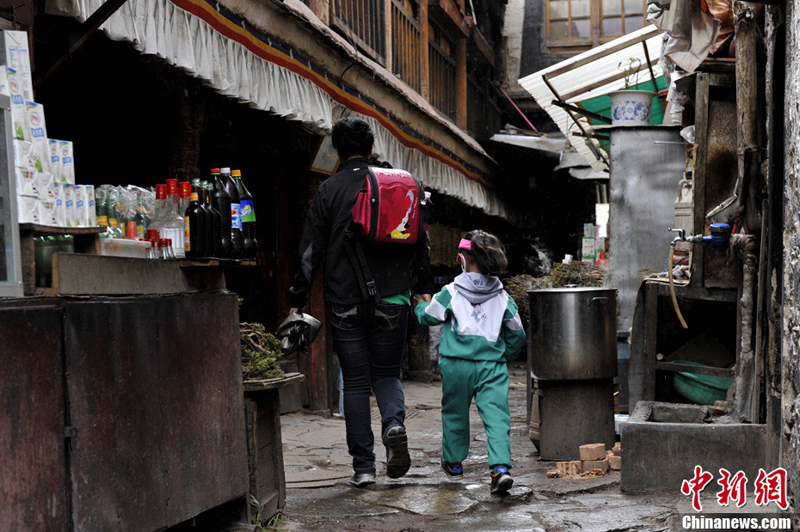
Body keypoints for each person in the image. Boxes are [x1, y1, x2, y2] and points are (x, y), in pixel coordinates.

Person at [288, 116, 434, 488]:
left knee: (354, 382)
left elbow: (309, 251)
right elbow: (420, 240)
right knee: (387, 373)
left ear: (337, 151)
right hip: (394, 298)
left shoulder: (329, 190)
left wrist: (297, 298)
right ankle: (394, 425)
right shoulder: (402, 184)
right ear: (372, 147)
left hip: (344, 302)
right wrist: (422, 285)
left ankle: (364, 468)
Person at [414, 230, 526, 494]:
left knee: (454, 412)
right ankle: (500, 468)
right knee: (497, 417)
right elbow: (517, 332)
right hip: (492, 367)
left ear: (463, 258)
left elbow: (430, 316)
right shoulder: (502, 297)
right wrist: (505, 355)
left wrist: (418, 305)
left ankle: (453, 462)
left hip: (456, 365)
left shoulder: (450, 291)